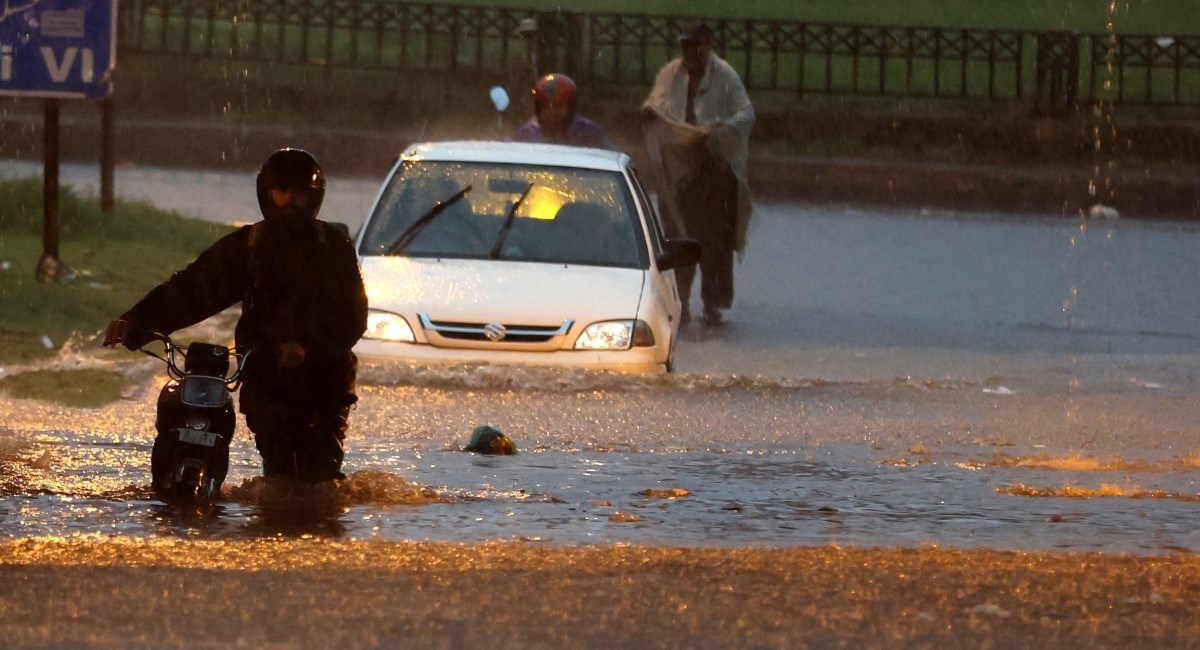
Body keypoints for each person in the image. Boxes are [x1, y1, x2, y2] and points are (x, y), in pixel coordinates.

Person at [102, 148, 368, 484]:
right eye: (280, 192)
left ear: (312, 197)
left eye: (297, 194)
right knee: (279, 475)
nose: (287, 202)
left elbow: (354, 316)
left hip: (324, 382)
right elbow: (193, 289)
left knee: (320, 475)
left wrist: (307, 349)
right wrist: (137, 321)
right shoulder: (249, 246)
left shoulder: (334, 246)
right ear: (266, 194)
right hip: (265, 375)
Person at [642, 21, 755, 327]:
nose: (690, 52)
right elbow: (655, 105)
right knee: (678, 238)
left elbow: (746, 113)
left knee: (713, 241)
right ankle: (680, 302)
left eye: (696, 46)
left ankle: (712, 304)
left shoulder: (725, 76)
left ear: (708, 46)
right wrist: (654, 117)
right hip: (681, 174)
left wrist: (719, 130)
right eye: (686, 46)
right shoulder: (671, 73)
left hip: (714, 172)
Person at [514, 73, 616, 150]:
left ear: (570, 107)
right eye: (545, 106)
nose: (552, 111)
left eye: (558, 106)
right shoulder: (527, 134)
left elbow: (611, 160)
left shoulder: (590, 133)